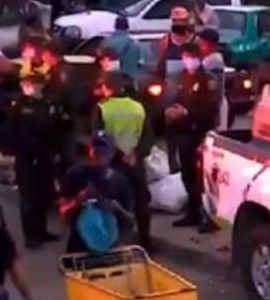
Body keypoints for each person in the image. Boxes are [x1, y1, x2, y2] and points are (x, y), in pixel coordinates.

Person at [4, 74, 68, 248]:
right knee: (28, 196)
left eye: (29, 84)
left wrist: (58, 152)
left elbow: (59, 129)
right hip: (26, 155)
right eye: (23, 84)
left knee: (44, 194)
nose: (25, 87)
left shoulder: (51, 104)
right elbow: (11, 128)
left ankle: (42, 230)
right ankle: (31, 235)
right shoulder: (20, 105)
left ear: (39, 86)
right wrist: (11, 150)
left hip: (45, 154)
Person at [92, 75, 155, 250]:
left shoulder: (102, 108)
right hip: (135, 163)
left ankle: (113, 242)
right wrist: (136, 154)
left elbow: (99, 137)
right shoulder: (138, 107)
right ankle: (145, 241)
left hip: (113, 164)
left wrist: (117, 154)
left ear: (107, 88)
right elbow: (148, 135)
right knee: (141, 203)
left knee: (111, 202)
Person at [167, 47, 222, 233]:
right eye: (185, 57)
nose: (188, 61)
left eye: (192, 57)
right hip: (184, 134)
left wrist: (188, 113)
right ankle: (193, 212)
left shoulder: (208, 80)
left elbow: (211, 109)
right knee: (188, 175)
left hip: (201, 134)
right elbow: (176, 98)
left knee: (203, 179)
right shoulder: (182, 78)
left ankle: (209, 217)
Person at [60, 132, 136, 254]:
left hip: (111, 248)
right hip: (80, 249)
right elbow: (63, 213)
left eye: (104, 152)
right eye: (95, 151)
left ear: (112, 154)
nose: (99, 157)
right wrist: (78, 200)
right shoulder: (75, 175)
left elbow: (131, 221)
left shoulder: (120, 181)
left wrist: (117, 209)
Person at [101, 15, 144, 81]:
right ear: (127, 27)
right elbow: (140, 62)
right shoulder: (133, 43)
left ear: (115, 26)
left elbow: (101, 58)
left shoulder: (106, 42)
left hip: (108, 77)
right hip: (127, 77)